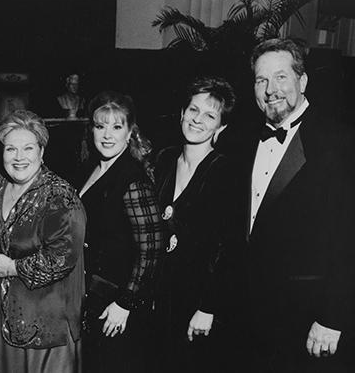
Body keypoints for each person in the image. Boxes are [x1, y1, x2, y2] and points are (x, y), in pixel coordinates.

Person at [222, 38, 355, 372]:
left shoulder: (339, 142)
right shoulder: (242, 140)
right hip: (246, 316)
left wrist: (333, 316)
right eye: (261, 79)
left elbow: (348, 240)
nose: (270, 89)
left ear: (303, 81)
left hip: (307, 321)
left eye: (281, 77)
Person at [0, 110, 86, 373]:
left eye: (28, 148)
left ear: (42, 152)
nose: (18, 157)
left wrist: (13, 268)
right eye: (10, 149)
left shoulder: (60, 196)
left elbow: (61, 258)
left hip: (46, 326)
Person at [145, 77, 239, 372]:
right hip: (154, 295)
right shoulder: (163, 158)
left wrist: (207, 308)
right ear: (182, 112)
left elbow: (227, 248)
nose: (198, 120)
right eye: (193, 110)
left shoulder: (225, 171)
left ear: (220, 127)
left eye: (210, 115)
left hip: (195, 302)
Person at [77, 91, 163, 373]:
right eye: (100, 126)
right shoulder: (91, 169)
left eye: (117, 127)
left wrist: (124, 304)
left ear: (130, 133)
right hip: (92, 295)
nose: (107, 135)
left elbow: (151, 249)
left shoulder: (132, 178)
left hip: (116, 302)